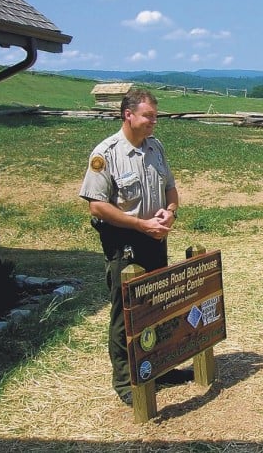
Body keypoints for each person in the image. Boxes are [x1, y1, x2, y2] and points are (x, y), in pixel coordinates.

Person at [79, 88, 192, 406]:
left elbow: (170, 189)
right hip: (124, 244)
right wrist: (141, 225)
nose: (154, 122)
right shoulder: (106, 154)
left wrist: (169, 214)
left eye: (155, 116)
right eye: (148, 116)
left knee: (158, 305)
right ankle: (127, 381)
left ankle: (160, 367)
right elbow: (97, 207)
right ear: (128, 115)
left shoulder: (156, 147)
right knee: (126, 314)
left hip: (155, 238)